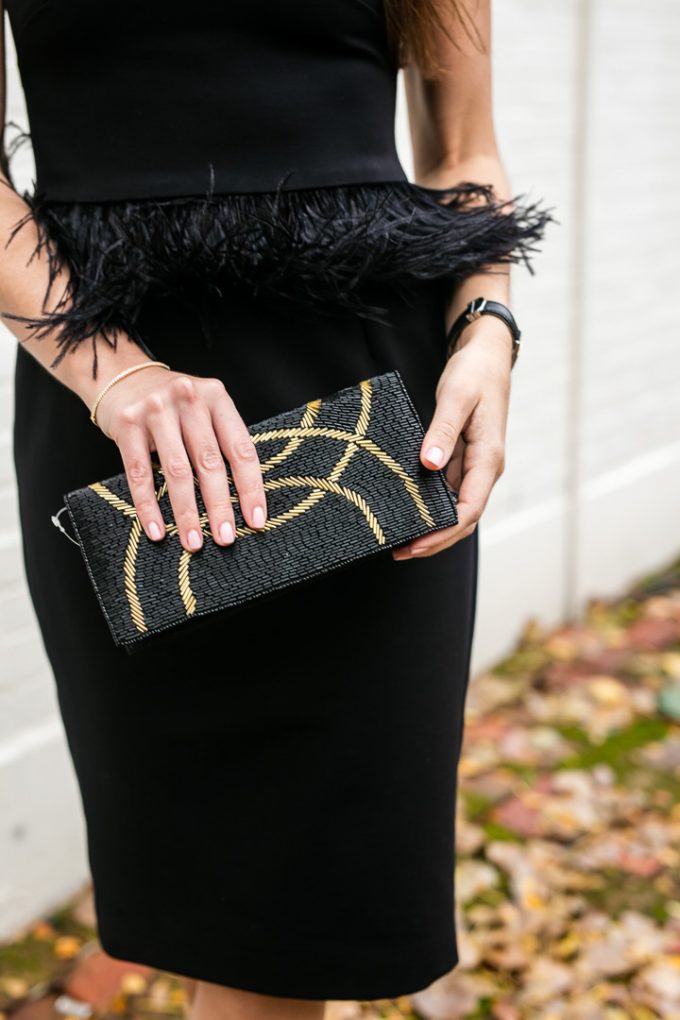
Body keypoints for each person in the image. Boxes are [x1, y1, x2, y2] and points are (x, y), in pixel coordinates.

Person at [0, 1, 553, 1017]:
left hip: (367, 427)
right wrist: (113, 375)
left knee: (308, 930)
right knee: (219, 898)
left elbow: (460, 151)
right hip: (128, 421)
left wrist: (486, 325)